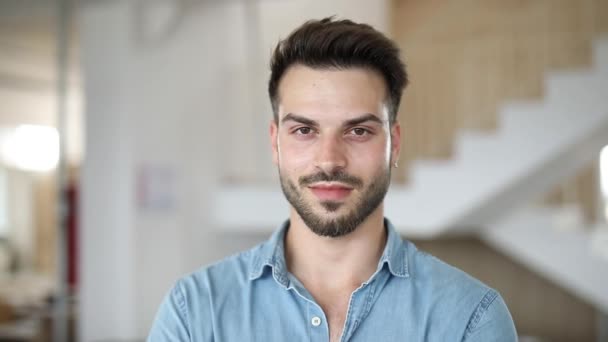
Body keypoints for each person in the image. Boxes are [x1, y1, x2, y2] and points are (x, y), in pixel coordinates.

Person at [148, 17, 518, 341]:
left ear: (395, 144)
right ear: (276, 143)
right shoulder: (195, 312)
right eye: (305, 131)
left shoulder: (471, 319)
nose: (329, 159)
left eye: (358, 131)